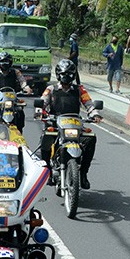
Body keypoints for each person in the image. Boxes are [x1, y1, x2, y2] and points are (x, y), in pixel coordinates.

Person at [39, 59, 101, 189]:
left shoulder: (79, 89)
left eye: (69, 74)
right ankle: (48, 171)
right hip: (55, 123)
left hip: (75, 124)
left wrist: (94, 114)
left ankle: (83, 174)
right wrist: (40, 112)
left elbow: (88, 103)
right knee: (46, 138)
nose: (66, 77)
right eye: (63, 74)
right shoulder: (51, 89)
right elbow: (42, 102)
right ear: (58, 74)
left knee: (91, 139)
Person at [0, 51, 34, 131]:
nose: (4, 64)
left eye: (6, 61)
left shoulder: (16, 72)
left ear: (10, 63)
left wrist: (26, 88)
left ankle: (19, 131)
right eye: (2, 62)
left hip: (13, 99)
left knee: (20, 111)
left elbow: (22, 81)